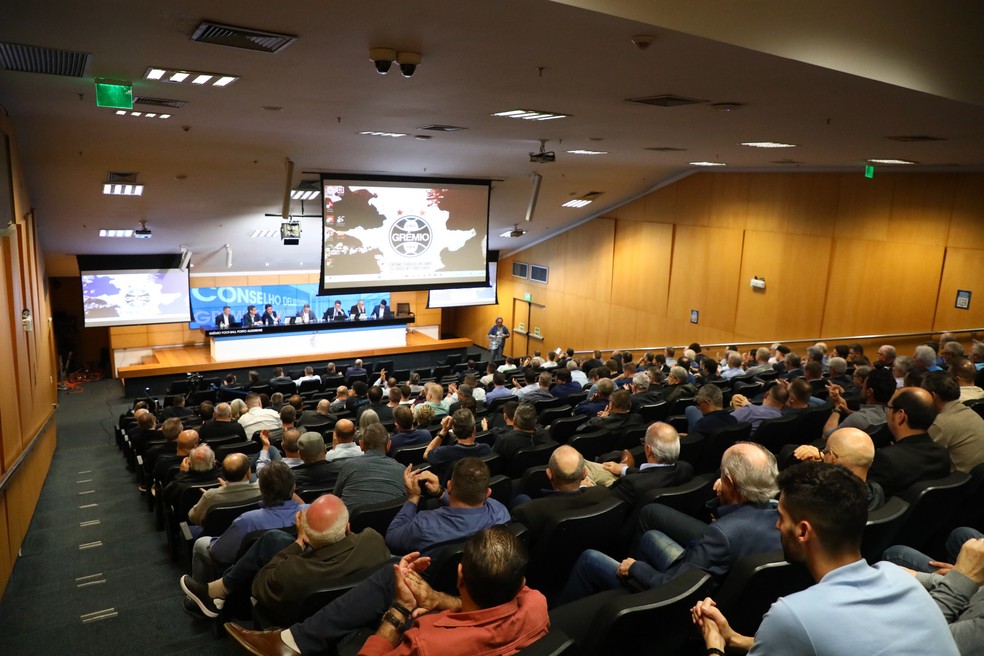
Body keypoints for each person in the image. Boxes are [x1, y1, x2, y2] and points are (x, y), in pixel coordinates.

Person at [691, 461, 959, 656]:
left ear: (803, 531)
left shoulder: (792, 614)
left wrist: (715, 644)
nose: (776, 527)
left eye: (781, 518)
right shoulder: (900, 577)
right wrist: (735, 638)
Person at [181, 493, 391, 621]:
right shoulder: (374, 540)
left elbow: (259, 586)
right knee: (272, 539)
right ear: (347, 527)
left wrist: (298, 543)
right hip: (356, 608)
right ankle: (216, 590)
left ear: (307, 537)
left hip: (299, 615)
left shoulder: (293, 571)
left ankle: (217, 592)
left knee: (272, 540)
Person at [191, 461, 304, 583]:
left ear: (261, 489)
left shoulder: (247, 520)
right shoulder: (310, 512)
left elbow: (219, 554)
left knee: (200, 543)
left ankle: (201, 592)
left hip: (254, 578)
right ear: (294, 487)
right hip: (297, 573)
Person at [868, 387, 951, 497]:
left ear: (900, 415)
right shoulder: (943, 454)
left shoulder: (886, 459)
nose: (886, 413)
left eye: (888, 408)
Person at [332, 423, 406, 511]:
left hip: (353, 523)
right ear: (388, 445)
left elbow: (334, 498)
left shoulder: (347, 466)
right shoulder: (402, 470)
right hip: (390, 523)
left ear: (361, 445)